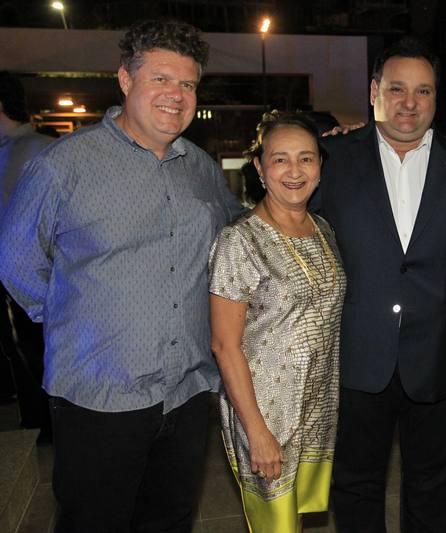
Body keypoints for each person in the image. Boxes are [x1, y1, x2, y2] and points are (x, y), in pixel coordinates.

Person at [0, 19, 243, 532]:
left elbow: (238, 236)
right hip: (99, 396)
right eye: (161, 79)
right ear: (126, 80)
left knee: (170, 520)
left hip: (188, 391)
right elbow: (16, 260)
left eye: (188, 83)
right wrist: (71, 318)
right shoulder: (63, 165)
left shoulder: (201, 167)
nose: (176, 95)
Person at [316, 37, 446, 532]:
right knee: (355, 483)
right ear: (374, 91)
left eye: (424, 91)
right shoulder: (330, 158)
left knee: (433, 482)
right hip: (355, 356)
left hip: (441, 358)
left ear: (436, 98)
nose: (410, 103)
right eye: (397, 89)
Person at [208, 112, 346, 533]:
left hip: (316, 410)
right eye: (280, 159)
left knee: (296, 518)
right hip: (266, 414)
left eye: (306, 158)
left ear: (319, 166)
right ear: (259, 167)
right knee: (275, 525)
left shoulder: (322, 228)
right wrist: (257, 432)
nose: (294, 171)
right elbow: (224, 346)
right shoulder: (239, 240)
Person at [0, 72, 54, 437]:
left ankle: (46, 422)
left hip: (33, 278)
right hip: (13, 276)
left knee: (33, 350)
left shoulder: (40, 151)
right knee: (16, 351)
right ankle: (35, 419)